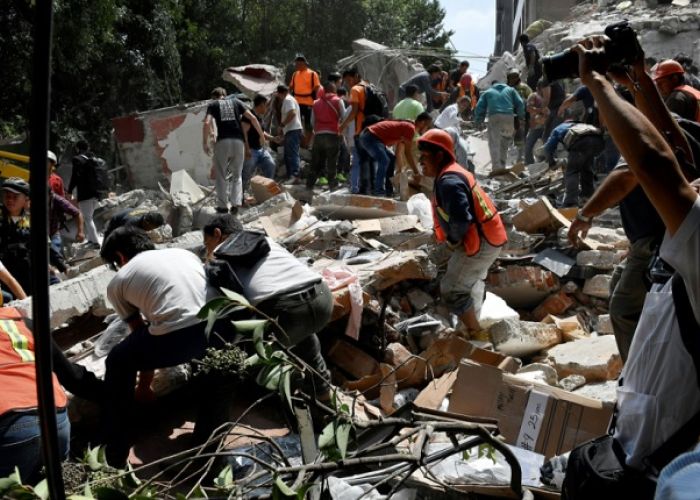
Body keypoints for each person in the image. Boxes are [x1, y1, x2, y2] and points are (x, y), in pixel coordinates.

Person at [572, 35, 700, 486]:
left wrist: (600, 84)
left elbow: (654, 164)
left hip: (661, 454)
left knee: (626, 307)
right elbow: (677, 156)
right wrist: (639, 82)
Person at [100, 226, 213, 466]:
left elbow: (139, 333)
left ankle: (115, 450)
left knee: (118, 361)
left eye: (114, 264)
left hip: (176, 342)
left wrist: (143, 385)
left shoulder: (119, 281)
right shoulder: (185, 254)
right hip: (216, 332)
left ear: (119, 257)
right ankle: (208, 432)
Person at [202, 214, 333, 399]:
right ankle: (321, 389)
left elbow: (234, 304)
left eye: (207, 244)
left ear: (218, 234)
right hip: (323, 298)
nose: (208, 250)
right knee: (302, 333)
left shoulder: (220, 257)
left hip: (286, 309)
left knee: (236, 357)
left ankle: (271, 397)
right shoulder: (265, 239)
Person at [568, 160, 664, 361]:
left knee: (623, 310)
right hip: (644, 240)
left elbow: (625, 177)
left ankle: (637, 377)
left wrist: (585, 215)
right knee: (617, 282)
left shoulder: (647, 134)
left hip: (655, 242)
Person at [417, 129, 506, 334]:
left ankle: (476, 333)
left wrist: (452, 242)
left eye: (424, 156)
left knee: (452, 290)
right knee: (468, 281)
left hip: (481, 242)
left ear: (439, 156)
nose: (420, 161)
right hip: (489, 236)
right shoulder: (451, 172)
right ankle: (472, 320)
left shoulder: (449, 182)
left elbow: (461, 220)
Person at [0, 307, 103, 480]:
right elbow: (69, 375)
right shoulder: (21, 324)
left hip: (9, 427)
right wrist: (111, 395)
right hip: (55, 417)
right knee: (57, 483)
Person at [203, 87, 265, 214]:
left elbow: (207, 123)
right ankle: (236, 204)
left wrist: (205, 142)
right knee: (237, 175)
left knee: (221, 175)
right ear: (225, 95)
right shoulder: (236, 102)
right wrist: (262, 135)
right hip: (238, 142)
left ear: (214, 97)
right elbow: (253, 118)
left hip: (223, 142)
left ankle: (223, 207)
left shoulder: (213, 105)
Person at [359, 113, 432, 197]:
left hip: (372, 137)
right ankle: (378, 190)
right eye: (427, 126)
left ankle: (388, 190)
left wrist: (401, 171)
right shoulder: (410, 128)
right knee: (384, 160)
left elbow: (398, 152)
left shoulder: (407, 127)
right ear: (422, 123)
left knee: (391, 158)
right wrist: (416, 173)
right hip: (370, 136)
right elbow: (407, 153)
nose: (427, 130)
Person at [543, 118, 605, 207]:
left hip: (581, 143)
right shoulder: (583, 125)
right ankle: (587, 198)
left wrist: (551, 162)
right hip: (598, 141)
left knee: (572, 171)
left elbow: (548, 148)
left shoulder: (559, 128)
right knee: (587, 170)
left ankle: (571, 202)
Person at [473, 80, 525, 175]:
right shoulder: (511, 90)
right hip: (509, 118)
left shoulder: (488, 92)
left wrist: (478, 120)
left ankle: (497, 168)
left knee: (494, 143)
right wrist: (521, 116)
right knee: (504, 143)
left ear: (493, 85)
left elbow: (479, 107)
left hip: (495, 117)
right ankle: (503, 165)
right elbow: (520, 102)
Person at [340, 68, 373, 194]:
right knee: (368, 162)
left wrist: (342, 126)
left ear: (356, 76)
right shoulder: (369, 90)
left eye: (349, 80)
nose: (349, 84)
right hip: (370, 134)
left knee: (357, 164)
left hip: (358, 136)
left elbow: (353, 113)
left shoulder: (355, 91)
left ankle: (355, 188)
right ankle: (369, 188)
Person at [307, 82, 344, 191]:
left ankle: (310, 184)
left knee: (316, 161)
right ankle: (332, 185)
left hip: (319, 135)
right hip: (333, 134)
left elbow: (312, 121)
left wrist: (318, 130)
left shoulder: (316, 103)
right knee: (332, 160)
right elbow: (344, 116)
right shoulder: (338, 101)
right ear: (334, 90)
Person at [68, 140, 101, 248]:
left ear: (78, 148)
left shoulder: (77, 159)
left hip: (85, 194)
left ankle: (96, 243)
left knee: (87, 218)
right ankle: (91, 240)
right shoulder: (93, 159)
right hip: (96, 193)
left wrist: (69, 190)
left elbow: (75, 176)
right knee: (89, 217)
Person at [242, 94, 276, 192]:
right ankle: (240, 198)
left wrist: (273, 139)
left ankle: (266, 192)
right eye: (266, 105)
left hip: (261, 149)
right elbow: (243, 132)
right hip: (251, 150)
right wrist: (247, 149)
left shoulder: (259, 118)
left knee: (270, 165)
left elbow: (262, 132)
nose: (267, 108)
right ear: (261, 105)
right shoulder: (249, 116)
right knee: (246, 174)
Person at [288, 55, 321, 145]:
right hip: (296, 102)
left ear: (304, 63)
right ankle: (299, 141)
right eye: (296, 63)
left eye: (299, 63)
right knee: (296, 123)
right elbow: (291, 86)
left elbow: (317, 87)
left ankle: (308, 143)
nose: (297, 65)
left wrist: (312, 97)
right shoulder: (295, 74)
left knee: (308, 124)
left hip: (308, 102)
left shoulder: (312, 74)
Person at [276, 84, 304, 185]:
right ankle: (291, 176)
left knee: (292, 154)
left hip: (293, 130)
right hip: (291, 130)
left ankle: (294, 176)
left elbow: (292, 113)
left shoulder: (288, 100)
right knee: (289, 154)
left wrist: (282, 125)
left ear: (280, 93)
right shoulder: (290, 99)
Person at [507, 69, 533, 162]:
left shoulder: (524, 88)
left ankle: (520, 158)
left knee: (520, 137)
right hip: (509, 116)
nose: (512, 80)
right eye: (511, 78)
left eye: (514, 77)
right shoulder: (507, 89)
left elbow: (531, 98)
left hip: (522, 116)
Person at [524, 81, 549, 165]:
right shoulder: (533, 96)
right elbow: (529, 108)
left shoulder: (548, 97)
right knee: (528, 146)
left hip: (546, 125)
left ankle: (549, 162)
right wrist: (540, 111)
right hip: (535, 126)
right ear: (538, 88)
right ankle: (529, 164)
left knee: (549, 144)